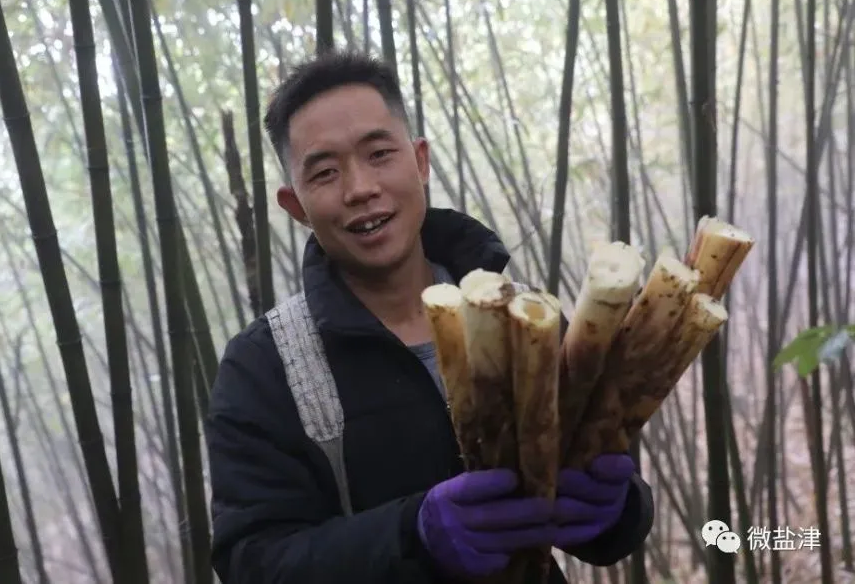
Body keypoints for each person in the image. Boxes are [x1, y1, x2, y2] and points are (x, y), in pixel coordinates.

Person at [204, 50, 654, 583]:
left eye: (379, 154)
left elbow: (598, 490)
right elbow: (251, 561)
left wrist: (620, 509)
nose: (360, 188)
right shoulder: (264, 365)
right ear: (295, 204)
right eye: (324, 172)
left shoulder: (523, 318)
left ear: (420, 161)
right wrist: (411, 535)